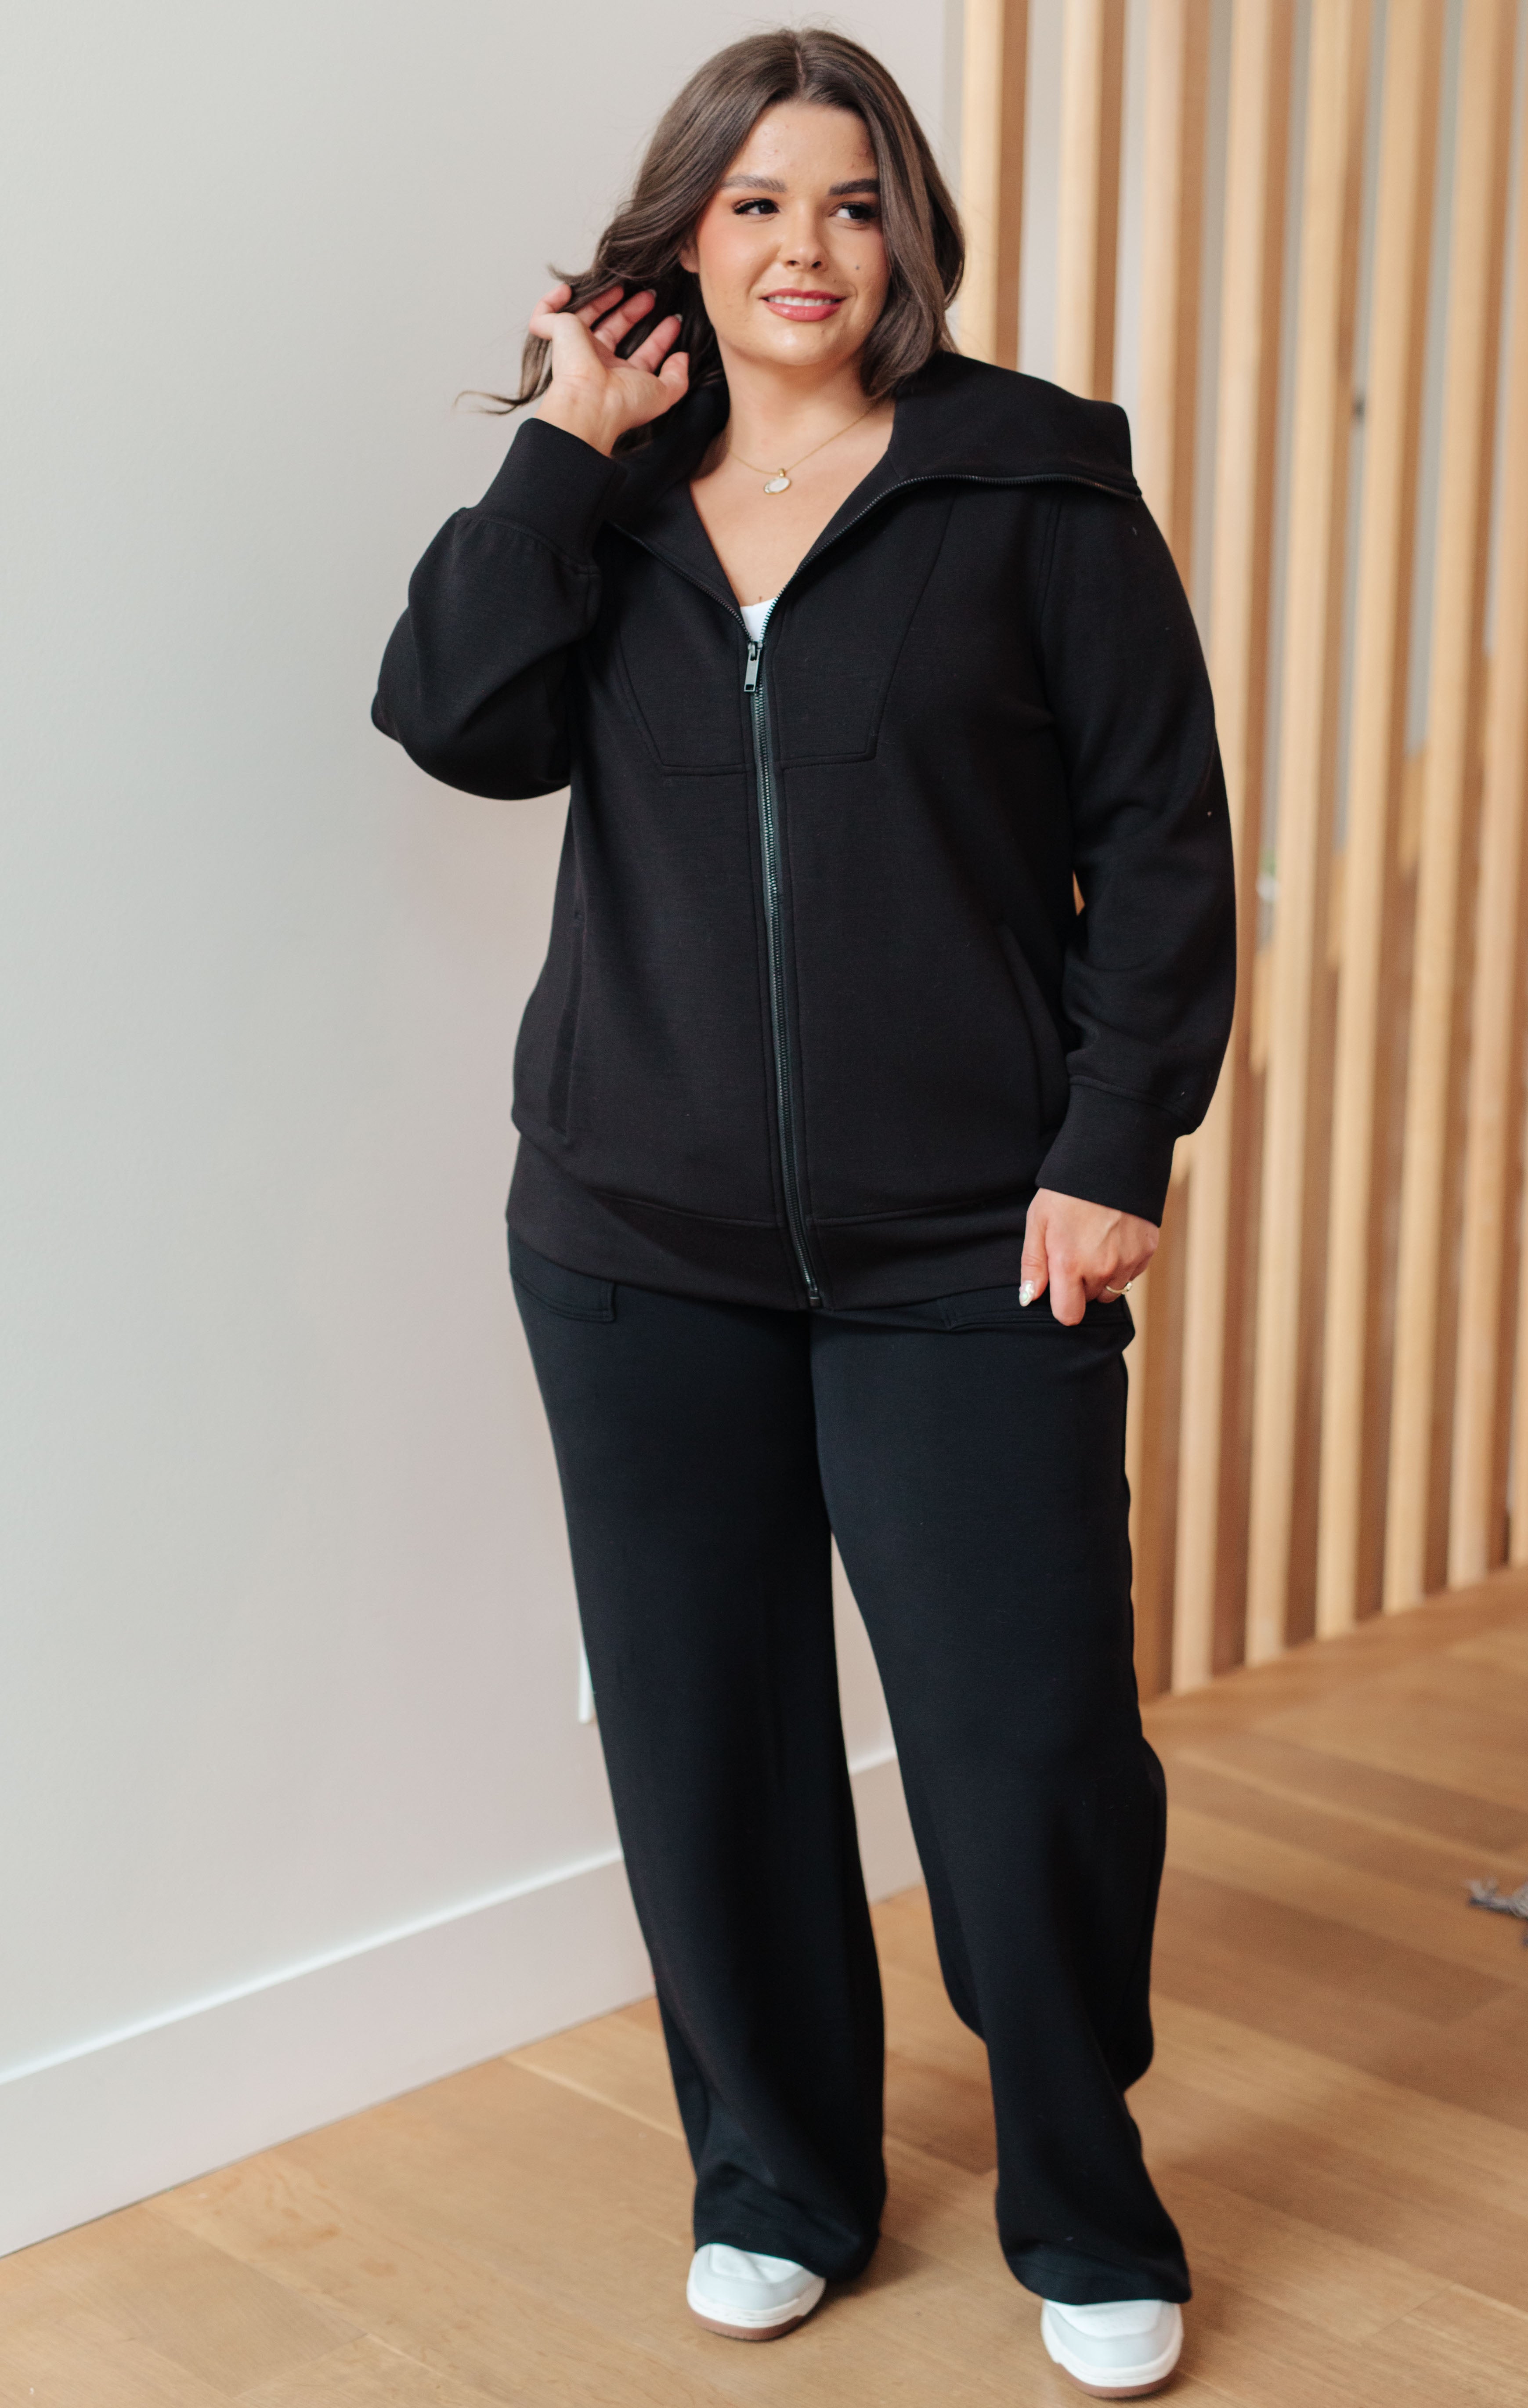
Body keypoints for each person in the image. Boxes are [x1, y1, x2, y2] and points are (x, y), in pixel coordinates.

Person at [373, 27, 1233, 2399]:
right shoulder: (608, 508)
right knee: (703, 1737)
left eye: (850, 203)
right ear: (680, 241)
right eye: (753, 205)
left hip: (979, 1242)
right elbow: (453, 717)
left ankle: (1084, 2194)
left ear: (907, 235)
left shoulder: (1034, 487)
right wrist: (569, 433)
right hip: (638, 1248)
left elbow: (1160, 837)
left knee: (1027, 1746)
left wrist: (1107, 1146)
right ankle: (777, 2176)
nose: (805, 250)